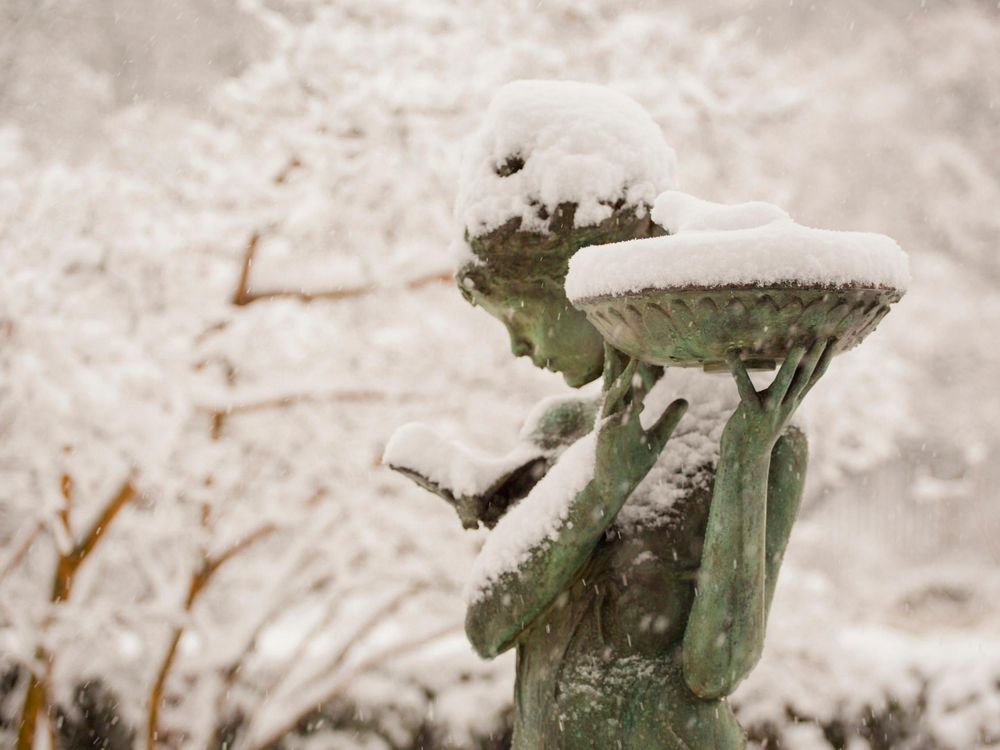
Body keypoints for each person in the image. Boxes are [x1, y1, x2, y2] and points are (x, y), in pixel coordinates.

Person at [387, 82, 834, 749]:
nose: (515, 345)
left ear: (586, 288)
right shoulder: (562, 432)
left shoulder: (757, 434)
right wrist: (601, 481)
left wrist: (745, 459)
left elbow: (719, 666)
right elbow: (488, 623)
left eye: (523, 315)